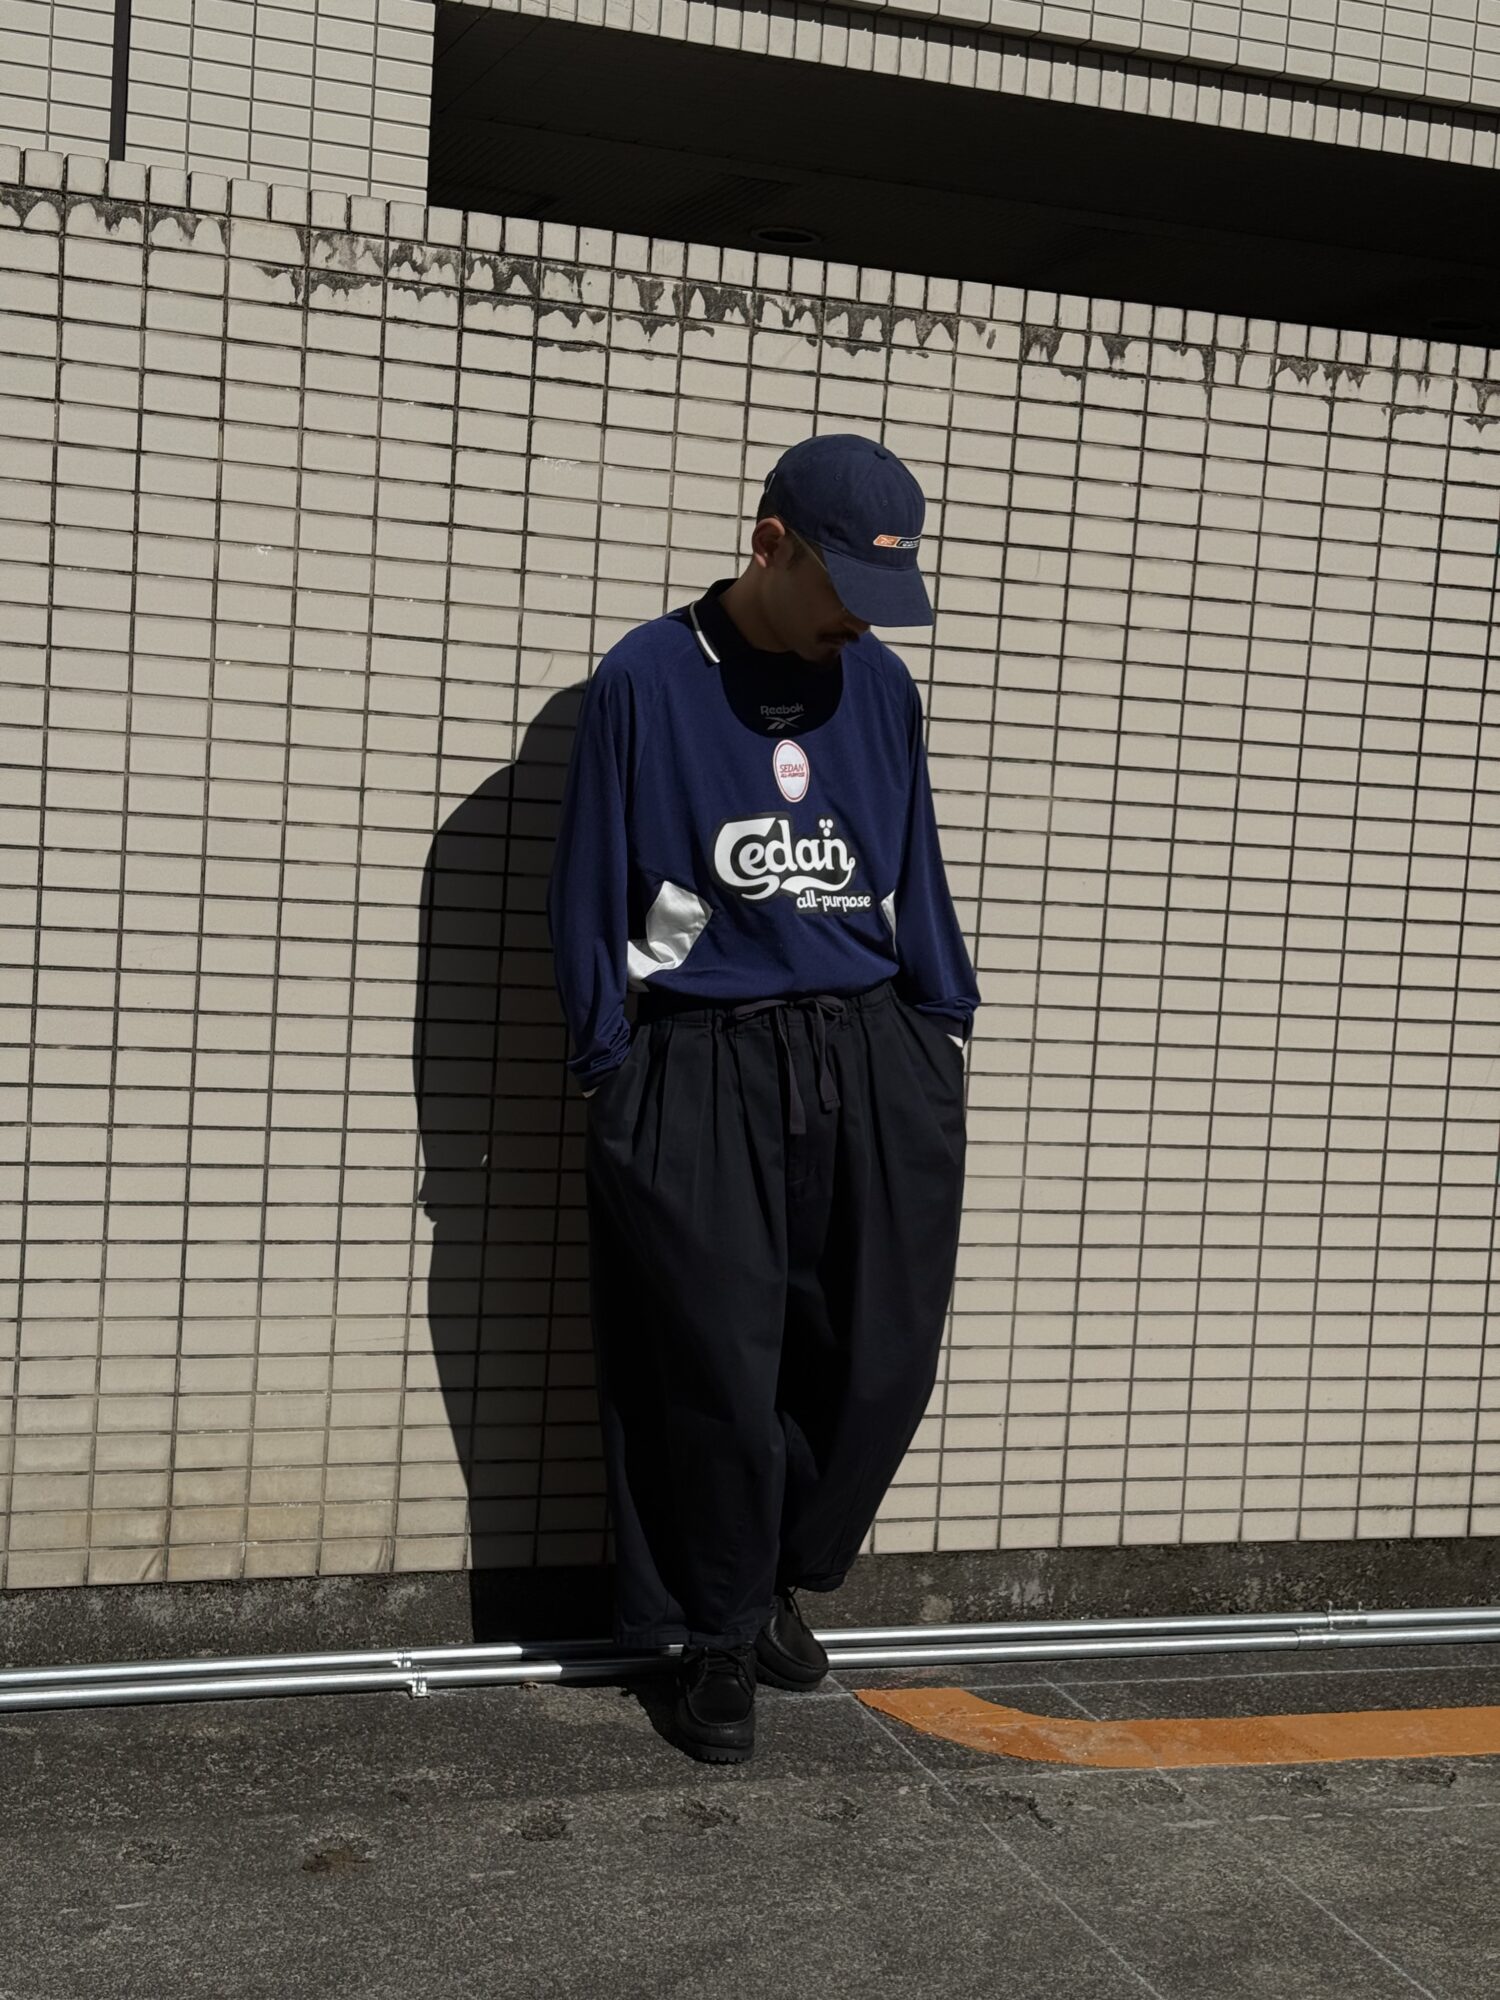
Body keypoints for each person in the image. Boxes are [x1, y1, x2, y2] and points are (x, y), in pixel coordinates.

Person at [545, 431, 980, 1763]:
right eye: (844, 587)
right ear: (769, 543)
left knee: (876, 1355)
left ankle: (776, 1572)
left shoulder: (879, 686)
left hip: (868, 1049)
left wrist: (938, 1027)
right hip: (706, 1055)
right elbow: (592, 880)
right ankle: (715, 1636)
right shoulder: (648, 677)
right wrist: (612, 1061)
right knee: (714, 1366)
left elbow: (913, 864)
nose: (862, 621)